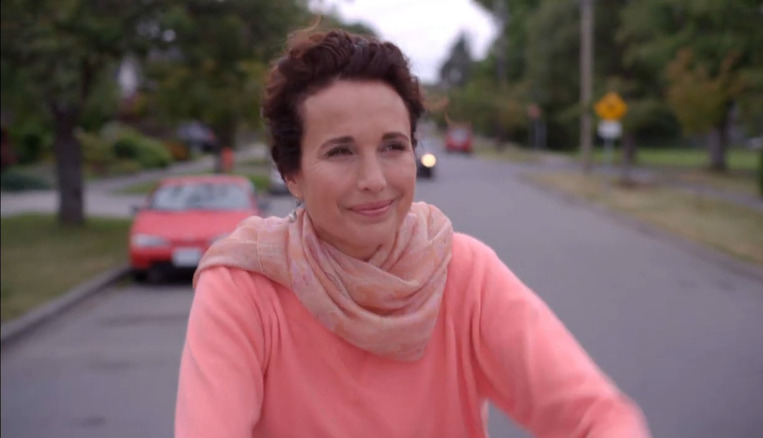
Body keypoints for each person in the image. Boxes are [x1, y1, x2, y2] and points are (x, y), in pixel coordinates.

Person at [175, 29, 651, 438]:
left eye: (392, 147)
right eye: (341, 151)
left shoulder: (464, 273)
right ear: (291, 173)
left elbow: (597, 417)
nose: (375, 179)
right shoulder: (244, 289)